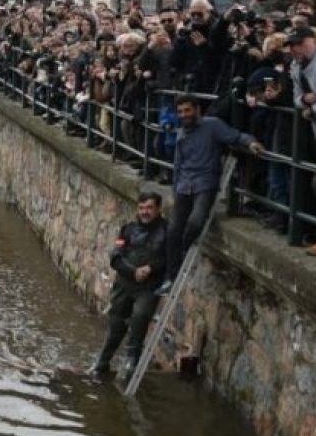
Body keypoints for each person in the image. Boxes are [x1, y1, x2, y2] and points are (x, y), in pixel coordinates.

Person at [163, 94, 263, 288]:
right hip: (184, 183)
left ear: (197, 109)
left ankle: (184, 250)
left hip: (205, 182)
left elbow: (235, 136)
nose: (184, 115)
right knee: (173, 228)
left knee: (196, 220)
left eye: (187, 110)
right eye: (181, 112)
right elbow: (178, 163)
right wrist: (175, 188)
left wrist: (250, 142)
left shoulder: (212, 125)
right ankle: (170, 275)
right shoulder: (181, 132)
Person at [89, 192, 168, 377]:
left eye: (149, 208)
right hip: (124, 285)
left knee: (140, 316)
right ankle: (102, 362)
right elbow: (115, 257)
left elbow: (170, 260)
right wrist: (133, 271)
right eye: (141, 208)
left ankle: (132, 359)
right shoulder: (128, 229)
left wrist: (151, 268)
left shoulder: (166, 231)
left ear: (158, 209)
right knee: (116, 323)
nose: (144, 212)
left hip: (148, 288)